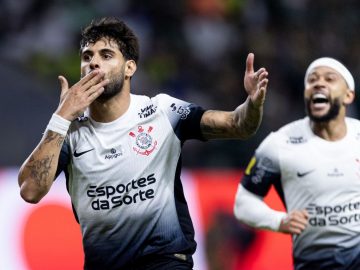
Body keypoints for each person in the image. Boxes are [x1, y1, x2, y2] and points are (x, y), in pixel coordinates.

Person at [18, 17, 268, 270]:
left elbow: (238, 124)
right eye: (87, 56)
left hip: (165, 262)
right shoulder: (69, 131)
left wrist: (253, 104)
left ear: (129, 68)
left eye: (106, 55)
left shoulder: (163, 111)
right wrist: (61, 118)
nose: (93, 62)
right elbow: (30, 190)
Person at [234, 57, 360, 270]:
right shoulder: (280, 143)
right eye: (312, 80)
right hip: (314, 263)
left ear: (348, 95)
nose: (318, 83)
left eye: (330, 79)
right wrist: (279, 221)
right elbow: (243, 203)